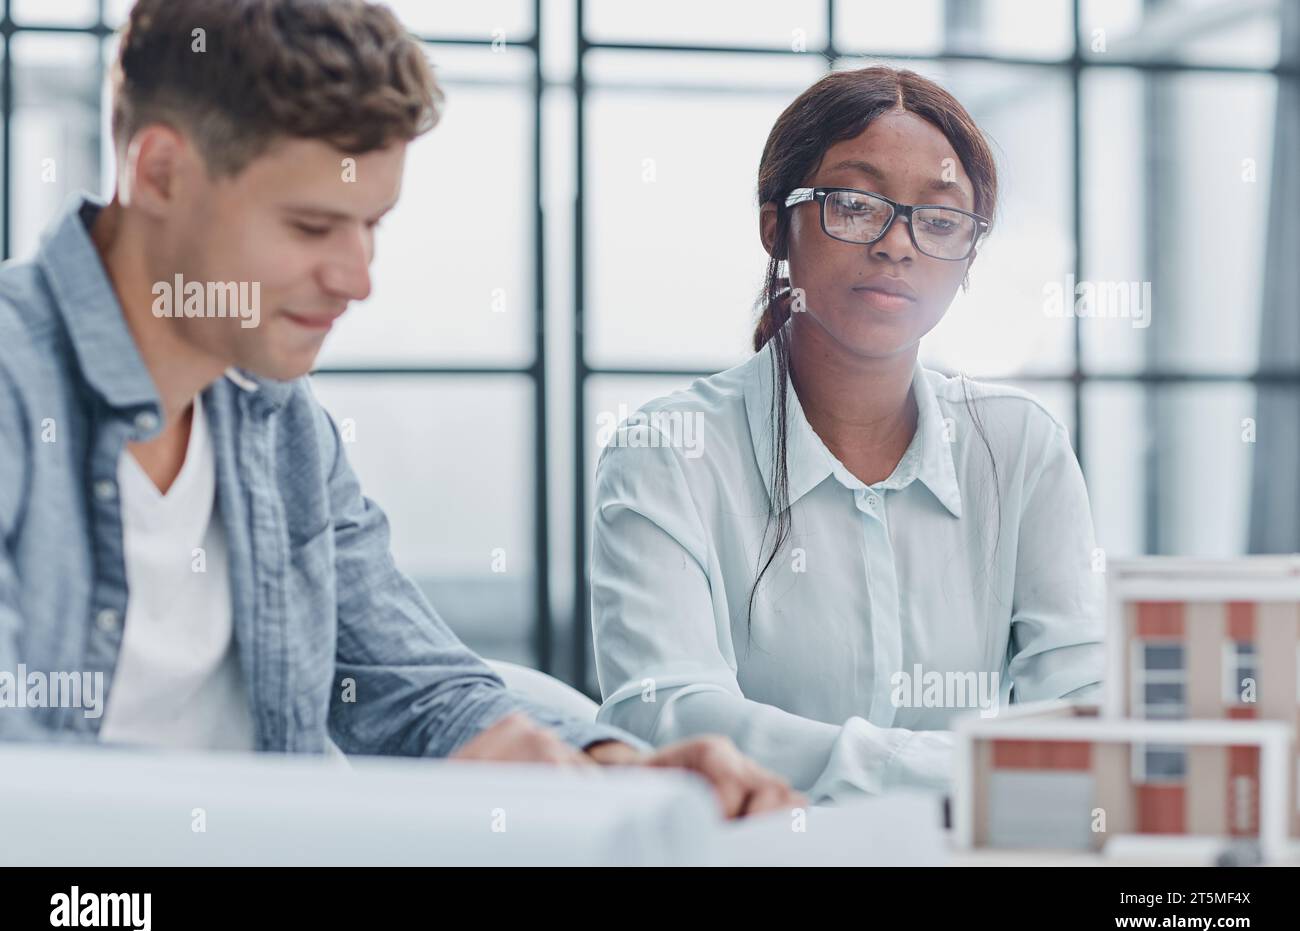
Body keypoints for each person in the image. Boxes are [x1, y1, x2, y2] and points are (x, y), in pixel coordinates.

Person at [0, 0, 801, 820]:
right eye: (313, 226)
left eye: (372, 226)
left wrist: (617, 769)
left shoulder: (274, 420)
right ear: (160, 172)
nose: (357, 279)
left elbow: (408, 678)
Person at [591, 66, 1104, 805]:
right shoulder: (668, 451)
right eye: (856, 205)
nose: (898, 244)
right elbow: (664, 710)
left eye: (939, 219)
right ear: (776, 224)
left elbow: (1081, 704)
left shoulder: (1020, 445)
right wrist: (963, 772)